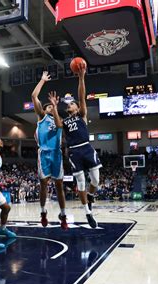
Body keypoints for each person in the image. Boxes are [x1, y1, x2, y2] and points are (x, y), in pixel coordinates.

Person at [53, 62, 100, 228]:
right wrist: (54, 106)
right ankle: (88, 212)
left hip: (87, 148)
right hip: (73, 152)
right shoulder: (64, 121)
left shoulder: (81, 114)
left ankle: (90, 196)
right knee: (80, 182)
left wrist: (81, 77)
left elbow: (81, 96)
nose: (69, 105)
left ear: (77, 107)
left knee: (96, 180)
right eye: (68, 104)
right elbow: (58, 125)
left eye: (71, 103)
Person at [31, 71, 67, 229]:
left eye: (53, 106)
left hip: (56, 154)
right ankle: (43, 212)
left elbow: (59, 126)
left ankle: (63, 215)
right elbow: (34, 96)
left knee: (59, 186)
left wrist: (56, 107)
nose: (51, 107)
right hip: (44, 154)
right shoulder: (41, 117)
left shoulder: (59, 119)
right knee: (44, 183)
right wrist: (42, 80)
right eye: (49, 106)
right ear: (44, 110)